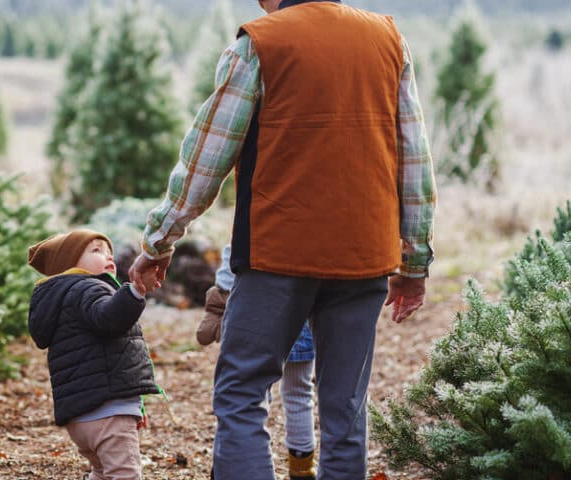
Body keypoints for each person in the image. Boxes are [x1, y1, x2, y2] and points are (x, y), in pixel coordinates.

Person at [129, 0, 437, 478]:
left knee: (241, 394)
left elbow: (205, 160)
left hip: (276, 253)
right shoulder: (388, 39)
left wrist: (158, 240)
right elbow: (414, 159)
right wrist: (413, 263)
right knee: (345, 410)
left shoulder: (260, 43)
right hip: (364, 256)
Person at [27, 229, 162, 480]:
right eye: (96, 250)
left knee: (101, 471)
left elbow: (104, 356)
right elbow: (109, 318)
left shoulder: (61, 298)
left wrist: (134, 404)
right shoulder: (87, 289)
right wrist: (136, 291)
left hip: (79, 417)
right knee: (125, 474)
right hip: (108, 411)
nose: (108, 256)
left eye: (109, 251)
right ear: (69, 265)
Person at [200, 246, 318, 480]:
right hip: (306, 303)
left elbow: (234, 250)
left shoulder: (262, 213)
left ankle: (231, 462)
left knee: (247, 393)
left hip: (263, 306)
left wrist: (221, 291)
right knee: (299, 391)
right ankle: (302, 468)